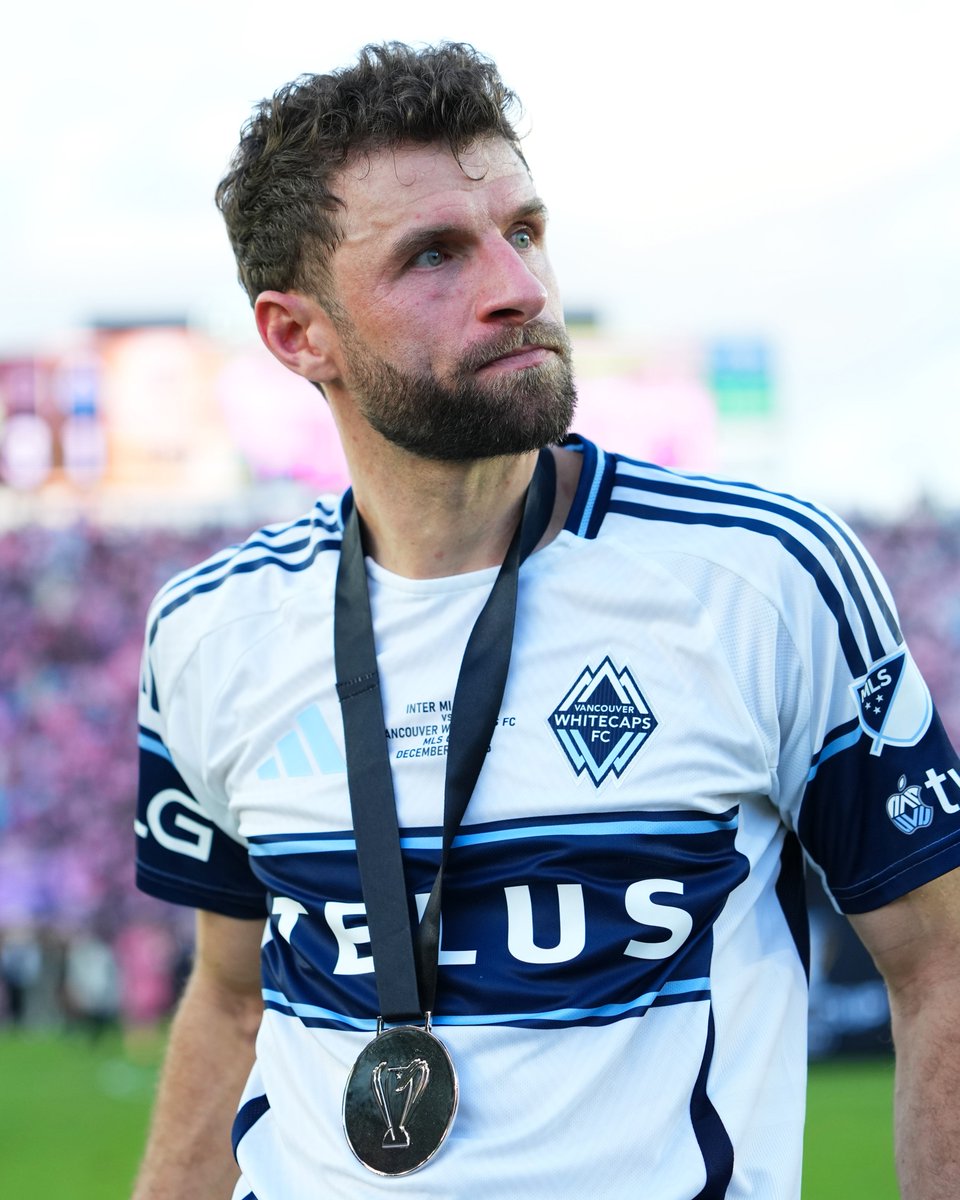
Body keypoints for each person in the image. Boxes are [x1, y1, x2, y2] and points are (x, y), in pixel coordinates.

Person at [131, 42, 960, 1200]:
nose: (516, 284)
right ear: (295, 334)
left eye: (522, 230)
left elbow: (942, 965)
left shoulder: (762, 578)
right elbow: (228, 997)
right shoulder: (210, 631)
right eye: (434, 255)